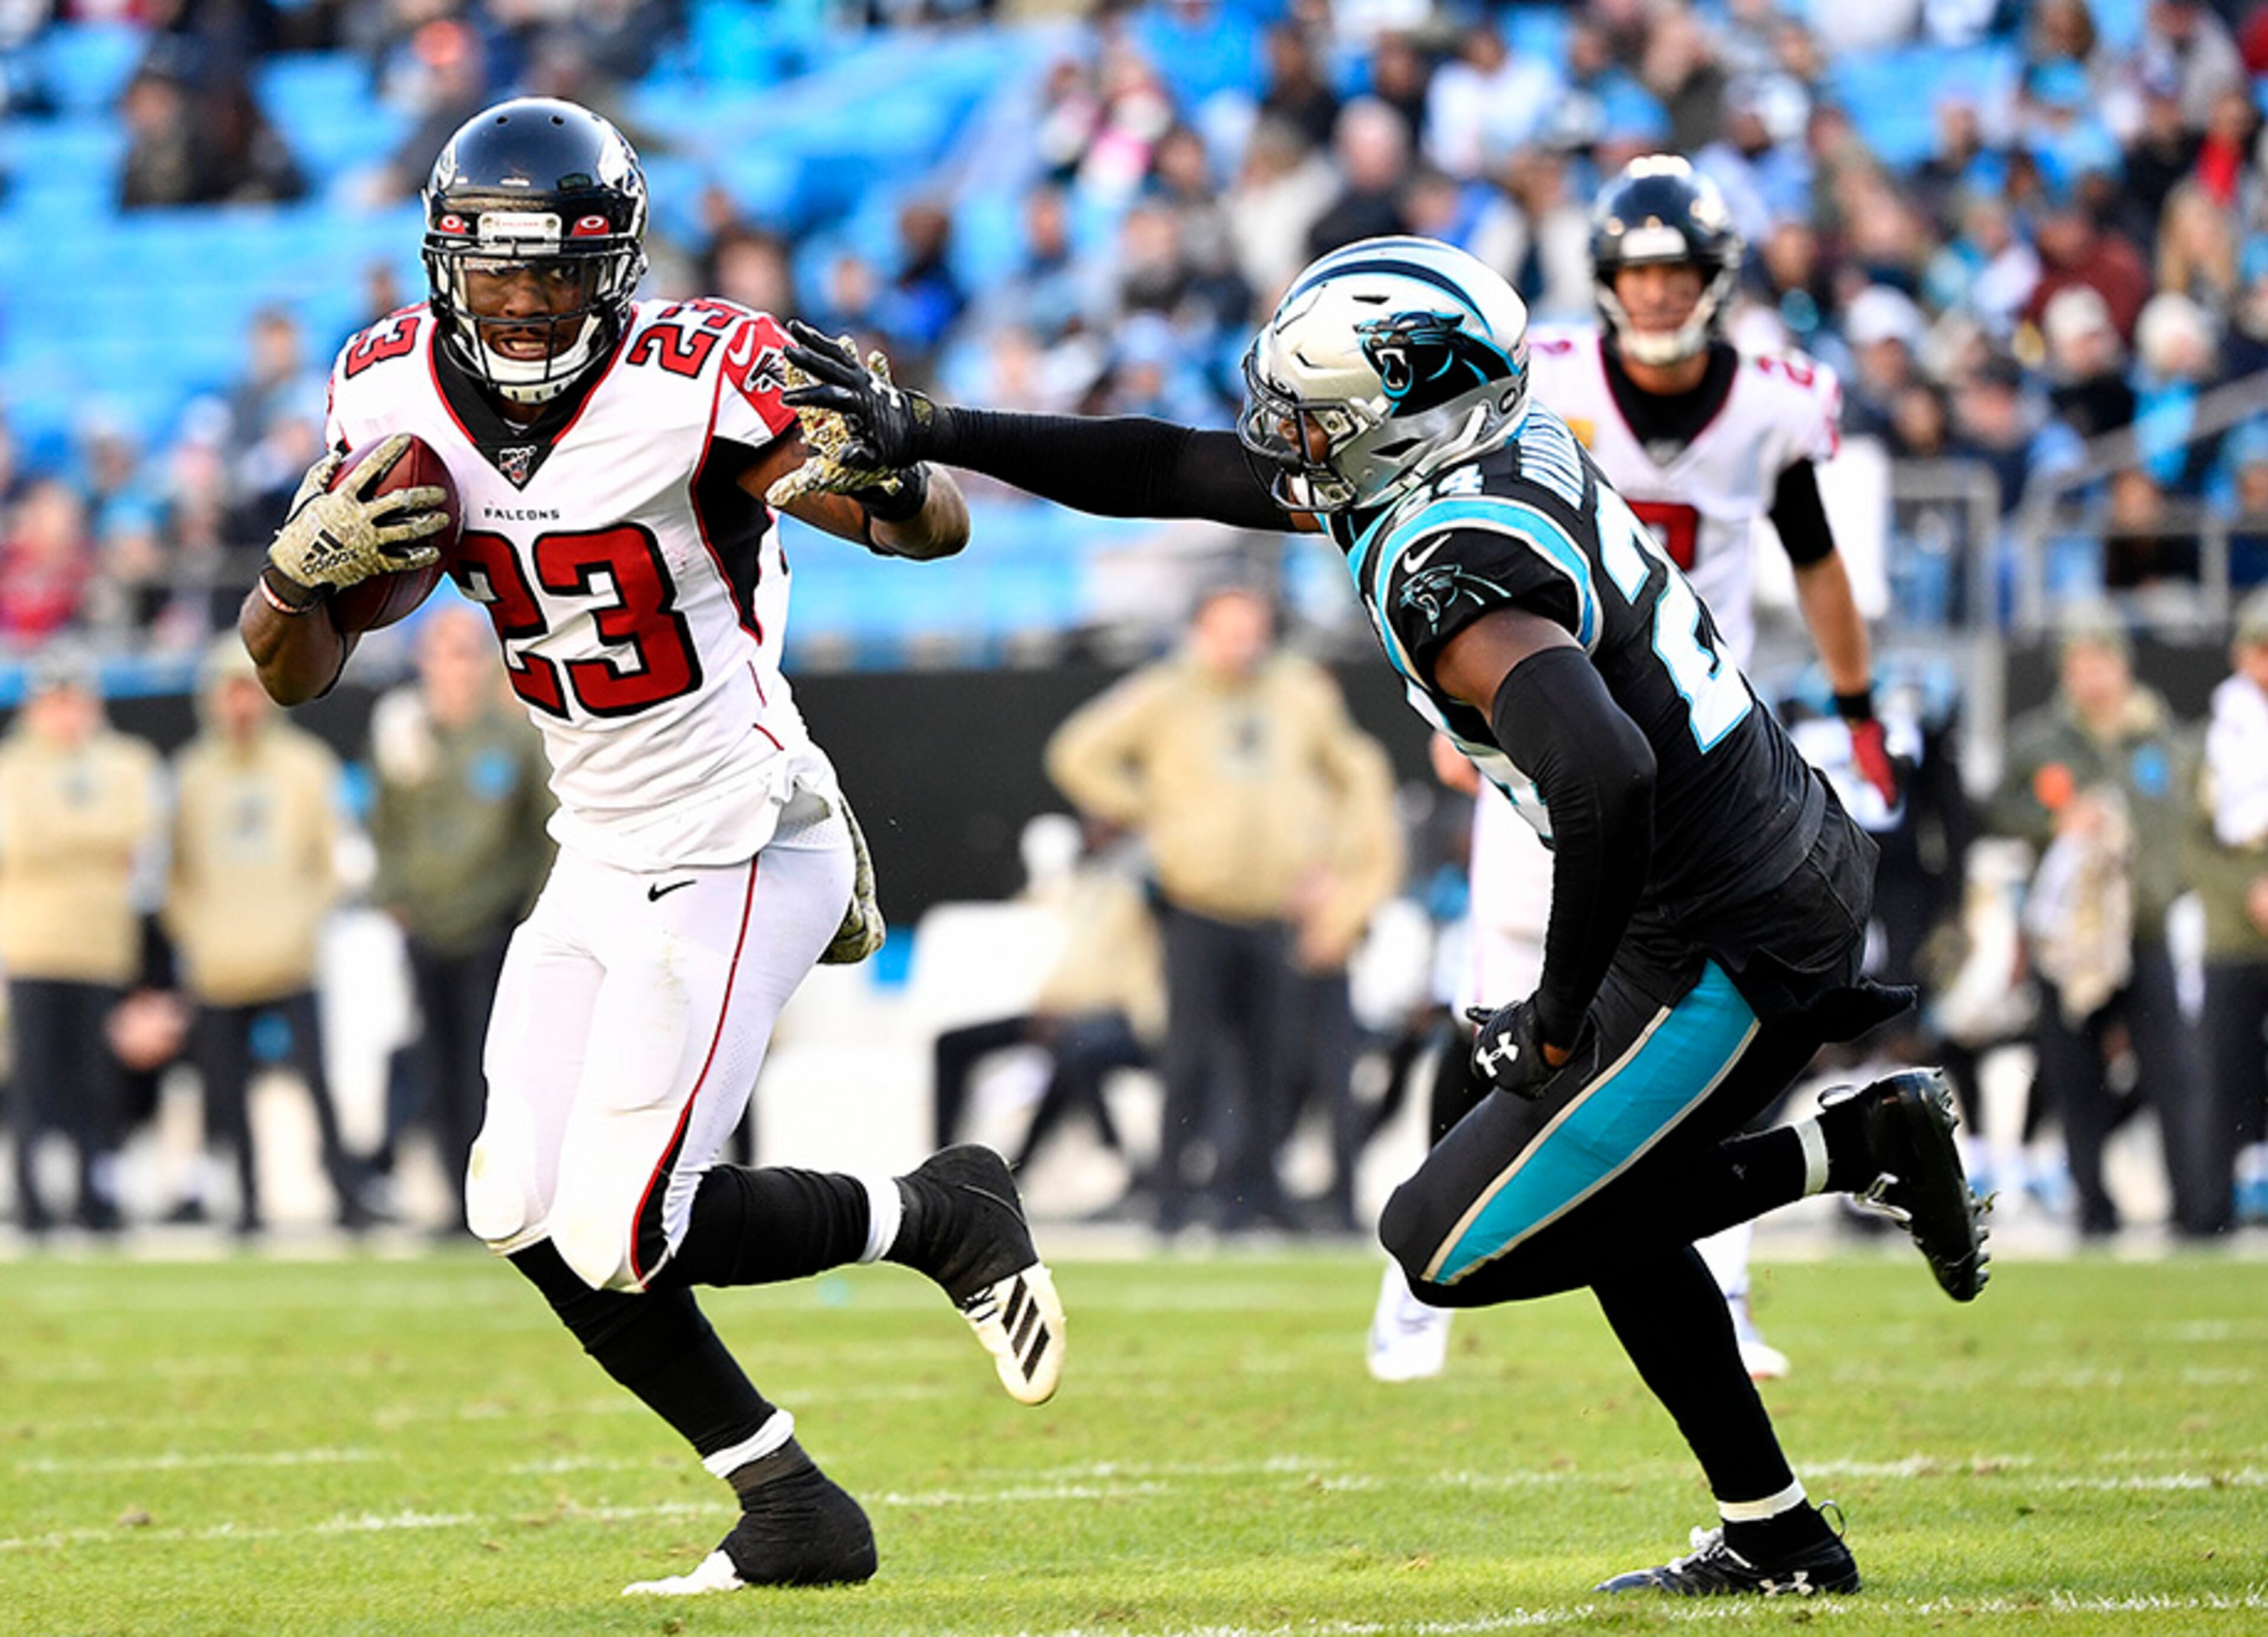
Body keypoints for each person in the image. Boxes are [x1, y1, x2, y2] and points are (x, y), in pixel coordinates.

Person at [784, 232, 1989, 1597]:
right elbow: (1165, 468)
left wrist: (1549, 1014)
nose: (1285, 435)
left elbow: (1606, 774)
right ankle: (1777, 1535)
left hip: (1729, 926)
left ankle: (1858, 1144)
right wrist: (936, 425)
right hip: (1739, 866)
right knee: (1594, 1194)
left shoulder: (1446, 551)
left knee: (1445, 1241)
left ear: (1401, 420)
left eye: (1319, 413)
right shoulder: (1457, 455)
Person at [236, 97, 1061, 1596]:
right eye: (497, 274)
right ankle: (788, 1502)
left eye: (556, 274)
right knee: (517, 1207)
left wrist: (881, 479)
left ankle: (942, 1215)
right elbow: (293, 669)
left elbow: (926, 526)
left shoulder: (699, 378)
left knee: (625, 1225)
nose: (526, 302)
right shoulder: (387, 393)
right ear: (445, 267)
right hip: (599, 844)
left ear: (612, 269)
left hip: (744, 833)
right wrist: (291, 585)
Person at [1368, 156, 1905, 1383]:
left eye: (1677, 271)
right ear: (1606, 279)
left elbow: (1816, 560)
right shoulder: (1539, 378)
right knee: (1494, 997)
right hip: (1547, 729)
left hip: (1694, 748)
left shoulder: (1772, 403)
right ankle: (1419, 1281)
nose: (1657, 294)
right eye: (1638, 271)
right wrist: (1466, 726)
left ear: (1715, 279)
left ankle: (1725, 1275)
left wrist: (1863, 703)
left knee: (1696, 1036)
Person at [1044, 578, 1399, 1233]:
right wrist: (1149, 813)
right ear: (1199, 633)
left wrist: (1334, 867)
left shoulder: (1299, 692)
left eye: (1252, 630)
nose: (1242, 645)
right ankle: (1173, 1198)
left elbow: (1356, 774)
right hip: (1197, 903)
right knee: (1187, 1056)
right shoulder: (1164, 692)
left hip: (1277, 906)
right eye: (1228, 631)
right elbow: (1077, 753)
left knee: (1273, 1060)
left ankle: (1255, 1193)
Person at [1986, 607, 2201, 1238]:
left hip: (2148, 929)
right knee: (2072, 1075)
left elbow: (2189, 830)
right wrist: (2054, 823)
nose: (2091, 678)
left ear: (2123, 665)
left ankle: (2196, 1208)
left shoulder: (2165, 741)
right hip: (2068, 942)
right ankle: (2094, 1212)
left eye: (2100, 662)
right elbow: (1997, 811)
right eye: (2077, 666)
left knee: (2171, 1073)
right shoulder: (2039, 743)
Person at [168, 640, 370, 1235]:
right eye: (229, 691)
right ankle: (245, 1203)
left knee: (317, 1086)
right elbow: (176, 871)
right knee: (225, 1092)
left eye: (250, 689)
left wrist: (301, 922)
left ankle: (345, 1195)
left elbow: (331, 860)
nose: (241, 704)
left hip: (290, 954)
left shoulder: (306, 766)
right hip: (219, 960)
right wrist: (197, 932)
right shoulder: (192, 774)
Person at [365, 603, 554, 1227]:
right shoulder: (403, 734)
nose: (457, 667)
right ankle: (456, 1198)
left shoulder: (513, 738)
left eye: (469, 652)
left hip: (492, 928)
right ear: (425, 661)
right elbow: (385, 826)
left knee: (492, 1072)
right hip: (426, 926)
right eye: (445, 652)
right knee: (436, 1067)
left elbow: (541, 833)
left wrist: (527, 916)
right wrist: (395, 894)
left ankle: (502, 1200)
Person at [0, 648, 163, 1232]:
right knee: (34, 1083)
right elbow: (19, 838)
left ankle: (97, 1197)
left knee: (99, 1085)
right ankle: (31, 1202)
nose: (67, 715)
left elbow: (139, 829)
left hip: (101, 947)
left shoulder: (126, 761)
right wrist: (95, 844)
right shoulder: (13, 766)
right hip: (34, 946)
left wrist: (62, 839)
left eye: (75, 702)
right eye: (55, 703)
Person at [2184, 589, 2268, 1231]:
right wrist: (2246, 890)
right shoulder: (2216, 732)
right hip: (2234, 927)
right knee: (2224, 1072)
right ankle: (2209, 1212)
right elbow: (2198, 835)